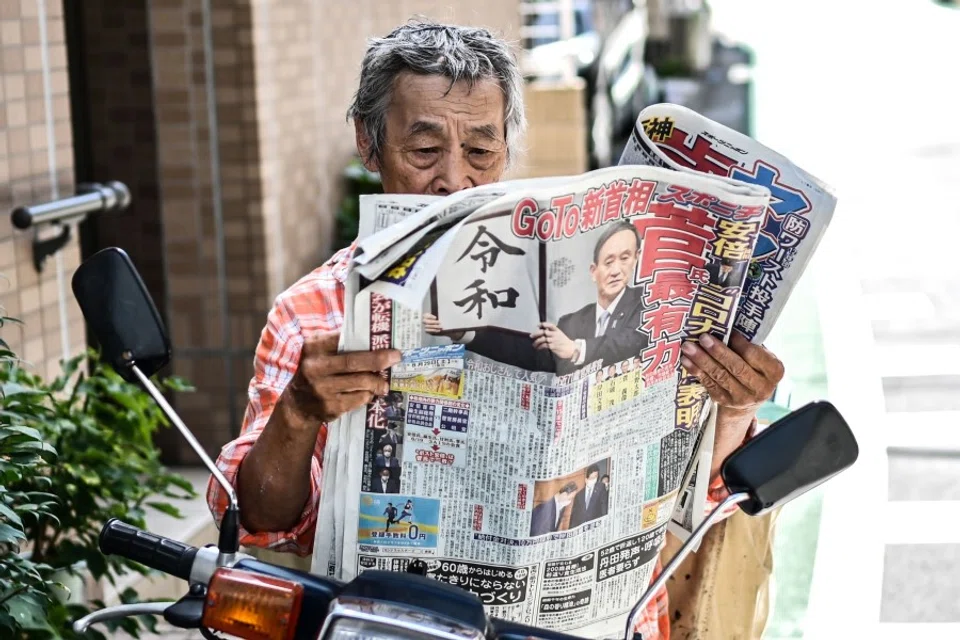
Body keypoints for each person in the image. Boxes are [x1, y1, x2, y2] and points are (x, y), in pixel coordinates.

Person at [206, 19, 785, 640]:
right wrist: (297, 412)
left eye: (480, 151)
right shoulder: (311, 311)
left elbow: (690, 508)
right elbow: (260, 522)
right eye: (424, 151)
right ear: (369, 147)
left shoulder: (589, 299)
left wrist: (733, 407)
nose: (454, 179)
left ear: (506, 152)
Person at [425, 221, 649, 375]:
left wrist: (575, 349)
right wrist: (466, 332)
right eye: (608, 262)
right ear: (593, 271)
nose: (616, 270)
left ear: (636, 259)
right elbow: (529, 353)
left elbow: (629, 342)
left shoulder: (647, 305)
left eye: (625, 258)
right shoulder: (571, 322)